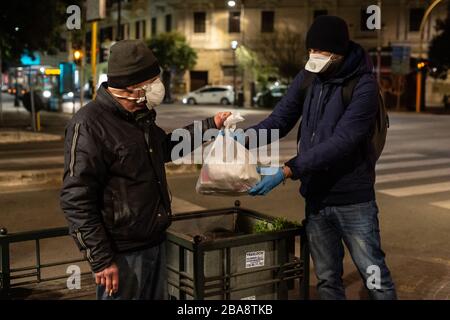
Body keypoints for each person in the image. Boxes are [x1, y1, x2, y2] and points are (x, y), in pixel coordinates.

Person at [60, 40, 231, 300]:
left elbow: (164, 148)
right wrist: (101, 260)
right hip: (121, 255)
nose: (158, 87)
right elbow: (76, 199)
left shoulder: (141, 116)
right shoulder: (89, 124)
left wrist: (210, 125)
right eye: (153, 81)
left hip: (155, 243)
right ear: (132, 86)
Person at [246, 16, 397, 300]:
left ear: (338, 53)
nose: (314, 57)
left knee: (375, 279)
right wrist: (242, 140)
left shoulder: (363, 85)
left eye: (321, 52)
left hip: (353, 200)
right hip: (316, 199)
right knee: (327, 279)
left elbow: (343, 142)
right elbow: (279, 120)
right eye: (311, 51)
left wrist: (288, 170)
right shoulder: (308, 77)